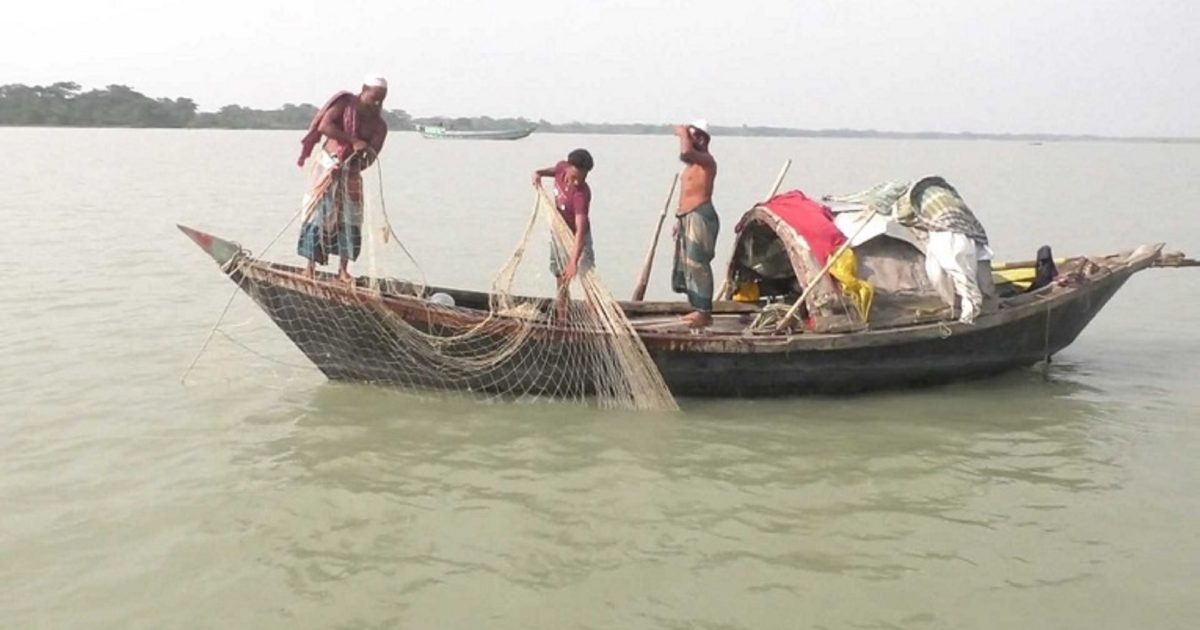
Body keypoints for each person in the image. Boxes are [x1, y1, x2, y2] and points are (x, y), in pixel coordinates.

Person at [295, 75, 390, 282]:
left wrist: (355, 166)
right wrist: (353, 140)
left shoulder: (379, 125)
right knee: (317, 214)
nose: (376, 103)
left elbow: (372, 155)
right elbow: (325, 126)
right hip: (327, 165)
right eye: (373, 97)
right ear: (363, 90)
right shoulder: (345, 104)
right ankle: (309, 267)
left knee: (350, 218)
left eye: (381, 99)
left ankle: (343, 271)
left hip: (351, 172)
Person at [532, 149, 595, 311]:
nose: (577, 182)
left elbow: (580, 231)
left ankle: (594, 317)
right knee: (561, 276)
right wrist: (538, 173)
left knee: (587, 279)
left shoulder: (581, 195)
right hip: (559, 232)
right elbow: (553, 170)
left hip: (578, 237)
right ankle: (562, 317)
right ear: (568, 167)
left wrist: (573, 262)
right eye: (574, 177)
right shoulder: (561, 168)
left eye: (582, 178)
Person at [671, 120, 719, 329]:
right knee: (687, 265)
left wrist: (683, 133)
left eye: (695, 136)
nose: (692, 139)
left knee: (698, 264)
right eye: (691, 136)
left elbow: (685, 153)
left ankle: (704, 313)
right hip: (687, 216)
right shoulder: (690, 167)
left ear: (703, 139)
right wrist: (678, 219)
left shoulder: (707, 161)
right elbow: (685, 193)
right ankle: (697, 308)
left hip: (701, 214)